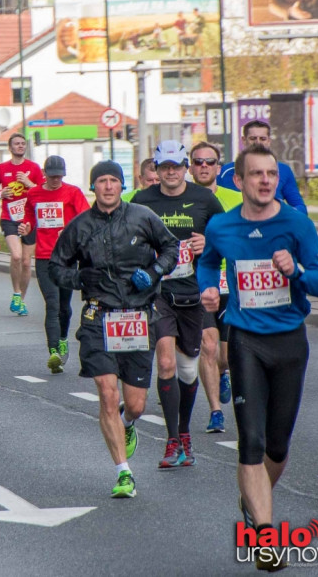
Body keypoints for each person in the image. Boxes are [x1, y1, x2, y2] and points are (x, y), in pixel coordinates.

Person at [198, 145, 318, 569]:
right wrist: (208, 288)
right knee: (251, 442)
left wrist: (297, 272)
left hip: (290, 341)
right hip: (245, 341)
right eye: (255, 174)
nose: (265, 181)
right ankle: (266, 537)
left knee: (277, 446)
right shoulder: (222, 225)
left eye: (271, 174)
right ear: (238, 181)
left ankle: (253, 498)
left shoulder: (296, 223)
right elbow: (207, 263)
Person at [48, 161, 178, 499]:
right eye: (101, 181)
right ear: (93, 187)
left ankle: (129, 423)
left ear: (122, 185)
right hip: (98, 317)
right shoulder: (80, 226)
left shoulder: (142, 216)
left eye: (113, 181)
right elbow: (55, 266)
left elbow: (171, 249)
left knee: (135, 404)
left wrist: (153, 273)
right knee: (108, 394)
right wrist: (79, 278)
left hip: (136, 316)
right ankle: (124, 473)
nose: (107, 186)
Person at [131, 141, 224, 469]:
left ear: (185, 167)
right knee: (167, 362)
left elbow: (227, 236)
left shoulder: (204, 199)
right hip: (157, 295)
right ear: (155, 170)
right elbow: (129, 238)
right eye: (164, 166)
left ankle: (184, 432)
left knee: (187, 369)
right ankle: (172, 441)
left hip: (193, 294)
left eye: (176, 166)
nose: (170, 171)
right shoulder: (142, 201)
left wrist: (208, 241)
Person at [16, 156, 90, 374]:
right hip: (44, 258)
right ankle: (54, 352)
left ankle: (63, 338)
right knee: (52, 303)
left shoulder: (73, 193)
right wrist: (26, 228)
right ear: (44, 174)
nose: (56, 179)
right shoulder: (34, 194)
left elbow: (86, 219)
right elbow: (29, 219)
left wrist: (70, 232)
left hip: (67, 258)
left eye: (60, 175)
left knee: (65, 307)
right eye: (52, 175)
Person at [189, 141, 243, 434]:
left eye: (209, 162)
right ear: (191, 167)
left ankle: (223, 373)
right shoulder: (180, 198)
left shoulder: (235, 199)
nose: (204, 166)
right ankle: (215, 411)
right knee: (207, 347)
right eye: (198, 162)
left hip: (232, 285)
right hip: (199, 283)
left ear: (218, 167)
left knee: (225, 355)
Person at [0, 133, 44, 316]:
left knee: (27, 261)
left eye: (23, 144)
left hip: (30, 219)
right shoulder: (1, 168)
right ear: (10, 147)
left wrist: (29, 183)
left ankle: (21, 300)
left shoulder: (34, 168)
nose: (20, 146)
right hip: (10, 217)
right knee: (16, 255)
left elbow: (44, 191)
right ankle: (15, 292)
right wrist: (0, 193)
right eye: (17, 144)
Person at [217, 120, 307, 214]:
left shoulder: (283, 170)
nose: (258, 142)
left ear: (269, 141)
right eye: (253, 138)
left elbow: (300, 207)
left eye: (262, 139)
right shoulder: (225, 172)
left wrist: (281, 214)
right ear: (244, 140)